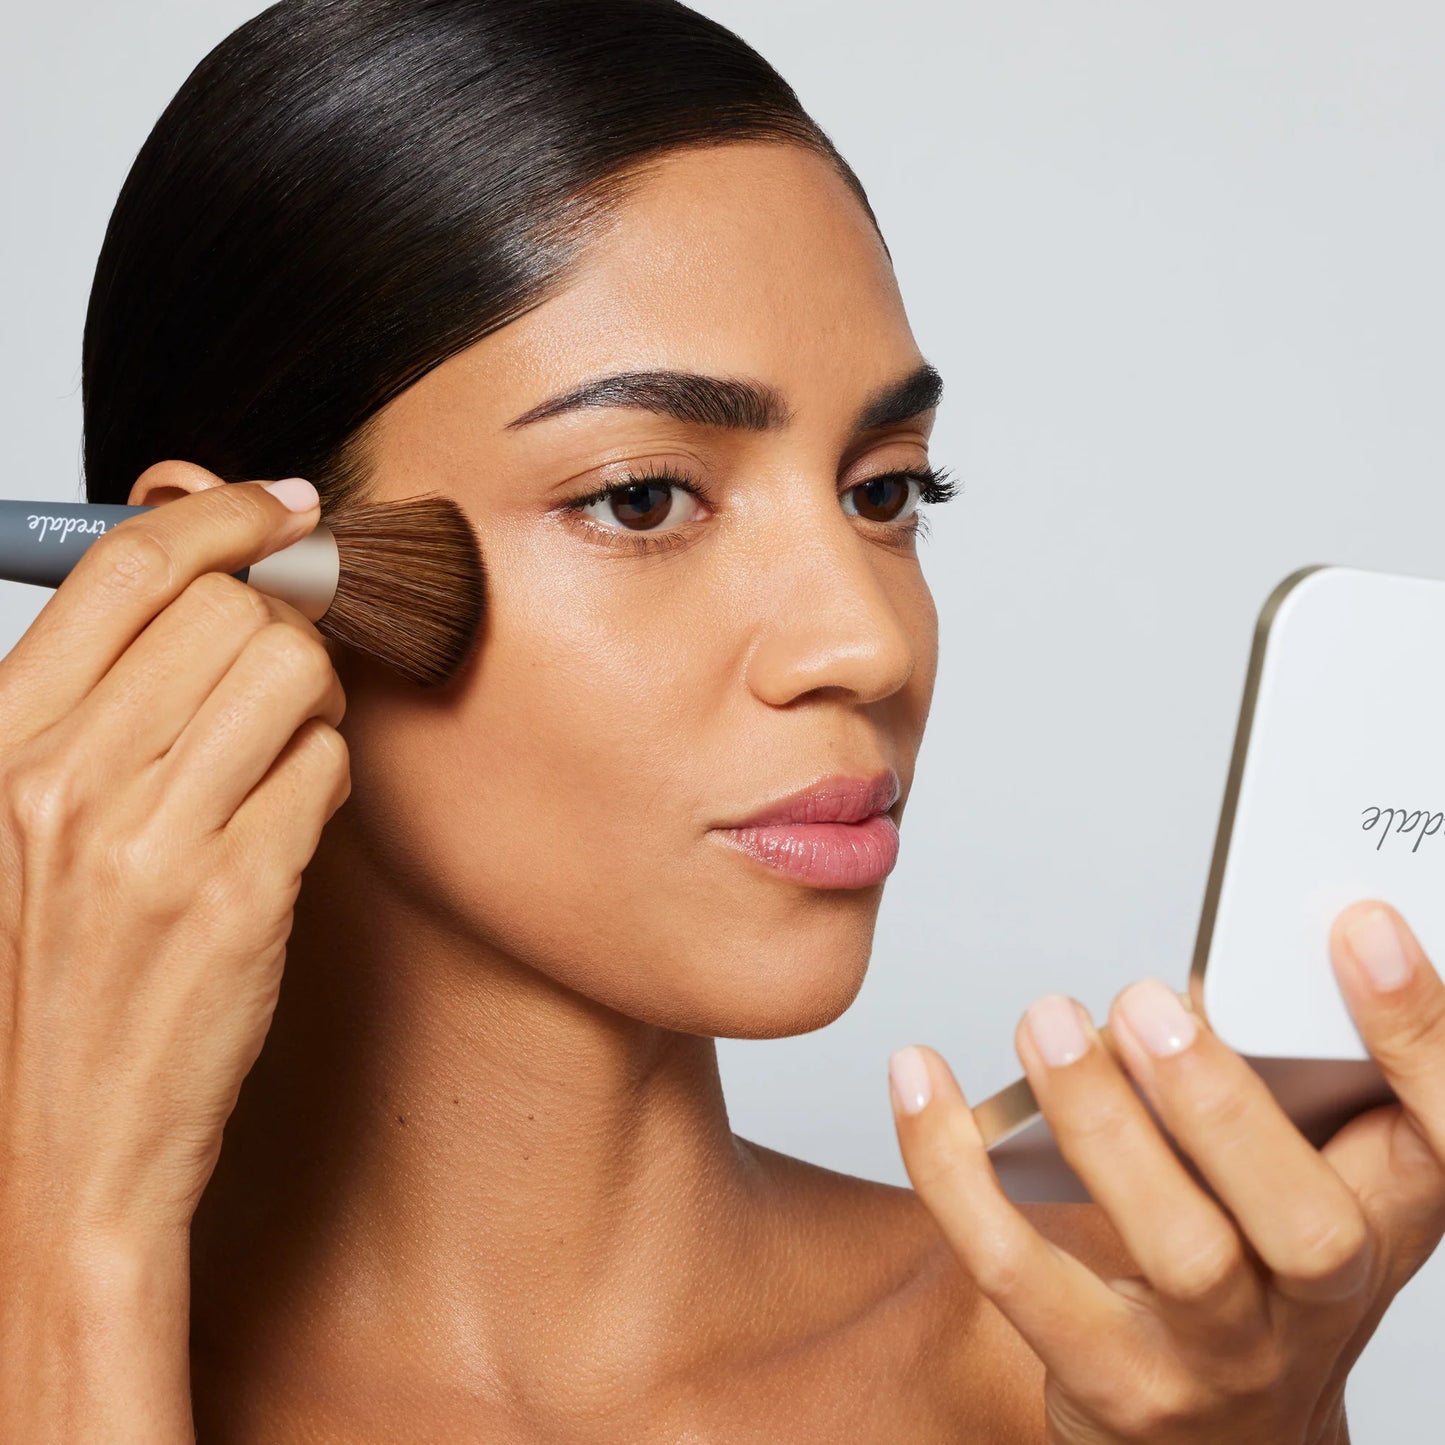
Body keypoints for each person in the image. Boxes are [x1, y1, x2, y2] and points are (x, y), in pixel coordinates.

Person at [4, 2, 1443, 1439]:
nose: (865, 641)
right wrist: (76, 1255)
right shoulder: (46, 1304)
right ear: (208, 575)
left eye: (884, 490)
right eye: (641, 498)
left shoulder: (1098, 1368)